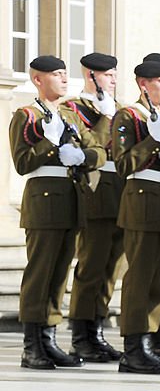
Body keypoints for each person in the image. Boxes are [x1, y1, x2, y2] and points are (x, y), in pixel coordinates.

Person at [11, 56, 104, 369]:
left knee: (59, 274)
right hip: (44, 201)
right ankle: (31, 344)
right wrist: (49, 145)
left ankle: (48, 338)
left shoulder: (68, 114)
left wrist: (82, 156)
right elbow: (22, 163)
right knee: (40, 274)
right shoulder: (27, 115)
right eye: (57, 74)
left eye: (66, 74)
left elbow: (99, 151)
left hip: (69, 201)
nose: (65, 80)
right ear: (38, 79)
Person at [112, 55, 160, 374]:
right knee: (141, 277)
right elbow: (123, 165)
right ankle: (134, 347)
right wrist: (151, 140)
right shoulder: (128, 115)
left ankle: (150, 336)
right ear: (143, 85)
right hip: (143, 200)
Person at [63, 52, 123, 362]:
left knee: (110, 270)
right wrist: (106, 118)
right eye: (107, 75)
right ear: (91, 77)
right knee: (91, 267)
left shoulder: (118, 109)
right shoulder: (73, 109)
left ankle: (97, 330)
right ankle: (80, 335)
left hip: (119, 195)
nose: (113, 80)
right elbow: (91, 148)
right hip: (95, 192)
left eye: (114, 75)